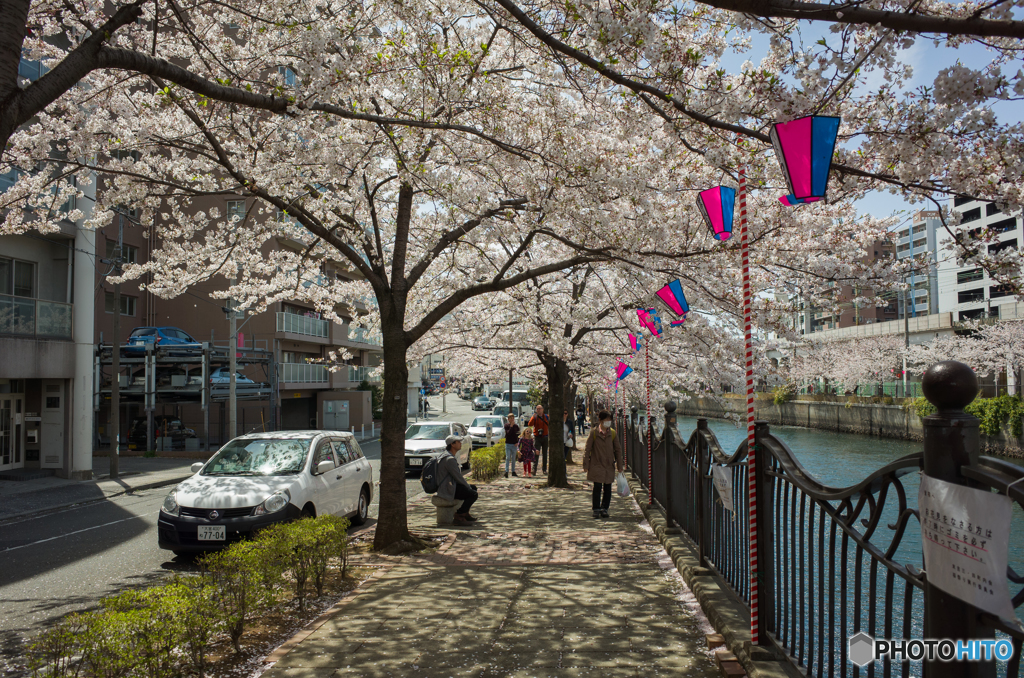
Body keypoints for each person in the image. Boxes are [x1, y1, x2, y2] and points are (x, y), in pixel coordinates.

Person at [583, 410, 623, 519]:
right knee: (597, 487)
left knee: (608, 487)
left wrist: (620, 465)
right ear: (600, 420)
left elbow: (618, 450)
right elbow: (587, 449)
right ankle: (596, 509)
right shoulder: (594, 433)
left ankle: (605, 508)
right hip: (597, 464)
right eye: (606, 420)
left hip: (609, 464)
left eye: (609, 420)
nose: (608, 422)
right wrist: (585, 464)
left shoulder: (612, 433)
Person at [436, 435, 478, 524]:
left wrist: (468, 487)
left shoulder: (447, 455)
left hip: (450, 486)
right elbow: (458, 477)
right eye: (458, 442)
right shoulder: (449, 459)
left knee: (473, 488)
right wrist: (467, 487)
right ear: (452, 444)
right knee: (473, 494)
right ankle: (459, 515)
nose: (460, 444)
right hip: (447, 489)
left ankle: (465, 513)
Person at [527, 405, 550, 474]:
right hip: (537, 437)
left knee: (545, 454)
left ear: (543, 409)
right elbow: (530, 424)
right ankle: (534, 469)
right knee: (536, 453)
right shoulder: (535, 417)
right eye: (537, 409)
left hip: (545, 437)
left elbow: (550, 424)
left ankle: (544, 469)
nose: (538, 410)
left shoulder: (546, 417)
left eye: (540, 409)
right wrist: (533, 417)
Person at [503, 413, 521, 478]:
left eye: (513, 418)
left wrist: (517, 442)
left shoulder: (516, 426)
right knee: (508, 458)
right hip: (508, 444)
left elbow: (519, 435)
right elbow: (508, 434)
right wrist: (511, 426)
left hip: (514, 445)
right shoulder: (506, 426)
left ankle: (513, 471)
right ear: (508, 419)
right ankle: (506, 471)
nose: (512, 419)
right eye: (510, 418)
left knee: (513, 458)